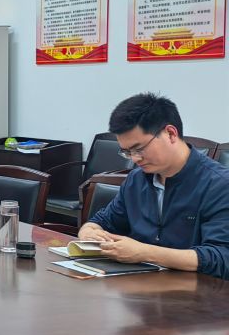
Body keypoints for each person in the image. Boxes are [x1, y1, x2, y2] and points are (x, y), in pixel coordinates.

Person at [78, 92, 229, 278]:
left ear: (170, 134)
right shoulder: (136, 180)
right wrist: (89, 231)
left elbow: (222, 257)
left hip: (198, 290)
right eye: (127, 152)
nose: (134, 159)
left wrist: (145, 253)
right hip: (140, 286)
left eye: (139, 149)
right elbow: (103, 222)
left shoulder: (220, 185)